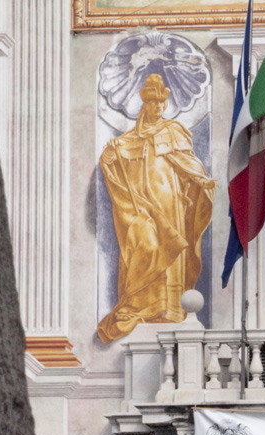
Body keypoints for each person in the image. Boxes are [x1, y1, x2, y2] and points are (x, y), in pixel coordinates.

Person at [97, 73, 215, 344]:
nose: (159, 107)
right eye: (154, 103)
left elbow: (187, 161)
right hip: (142, 204)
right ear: (145, 105)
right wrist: (110, 156)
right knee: (144, 244)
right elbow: (113, 161)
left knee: (171, 252)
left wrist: (201, 179)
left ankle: (169, 308)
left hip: (169, 201)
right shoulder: (130, 137)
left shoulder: (173, 130)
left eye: (162, 103)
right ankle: (140, 304)